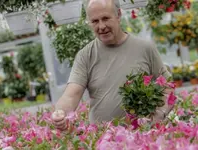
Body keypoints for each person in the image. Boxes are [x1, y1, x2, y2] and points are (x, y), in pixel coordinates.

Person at [51, 0, 174, 130]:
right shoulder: (85, 55)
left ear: (118, 15)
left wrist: (156, 118)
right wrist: (60, 113)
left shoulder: (145, 48)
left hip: (141, 137)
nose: (101, 26)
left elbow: (168, 86)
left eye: (105, 18)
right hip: (101, 138)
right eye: (95, 21)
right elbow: (71, 95)